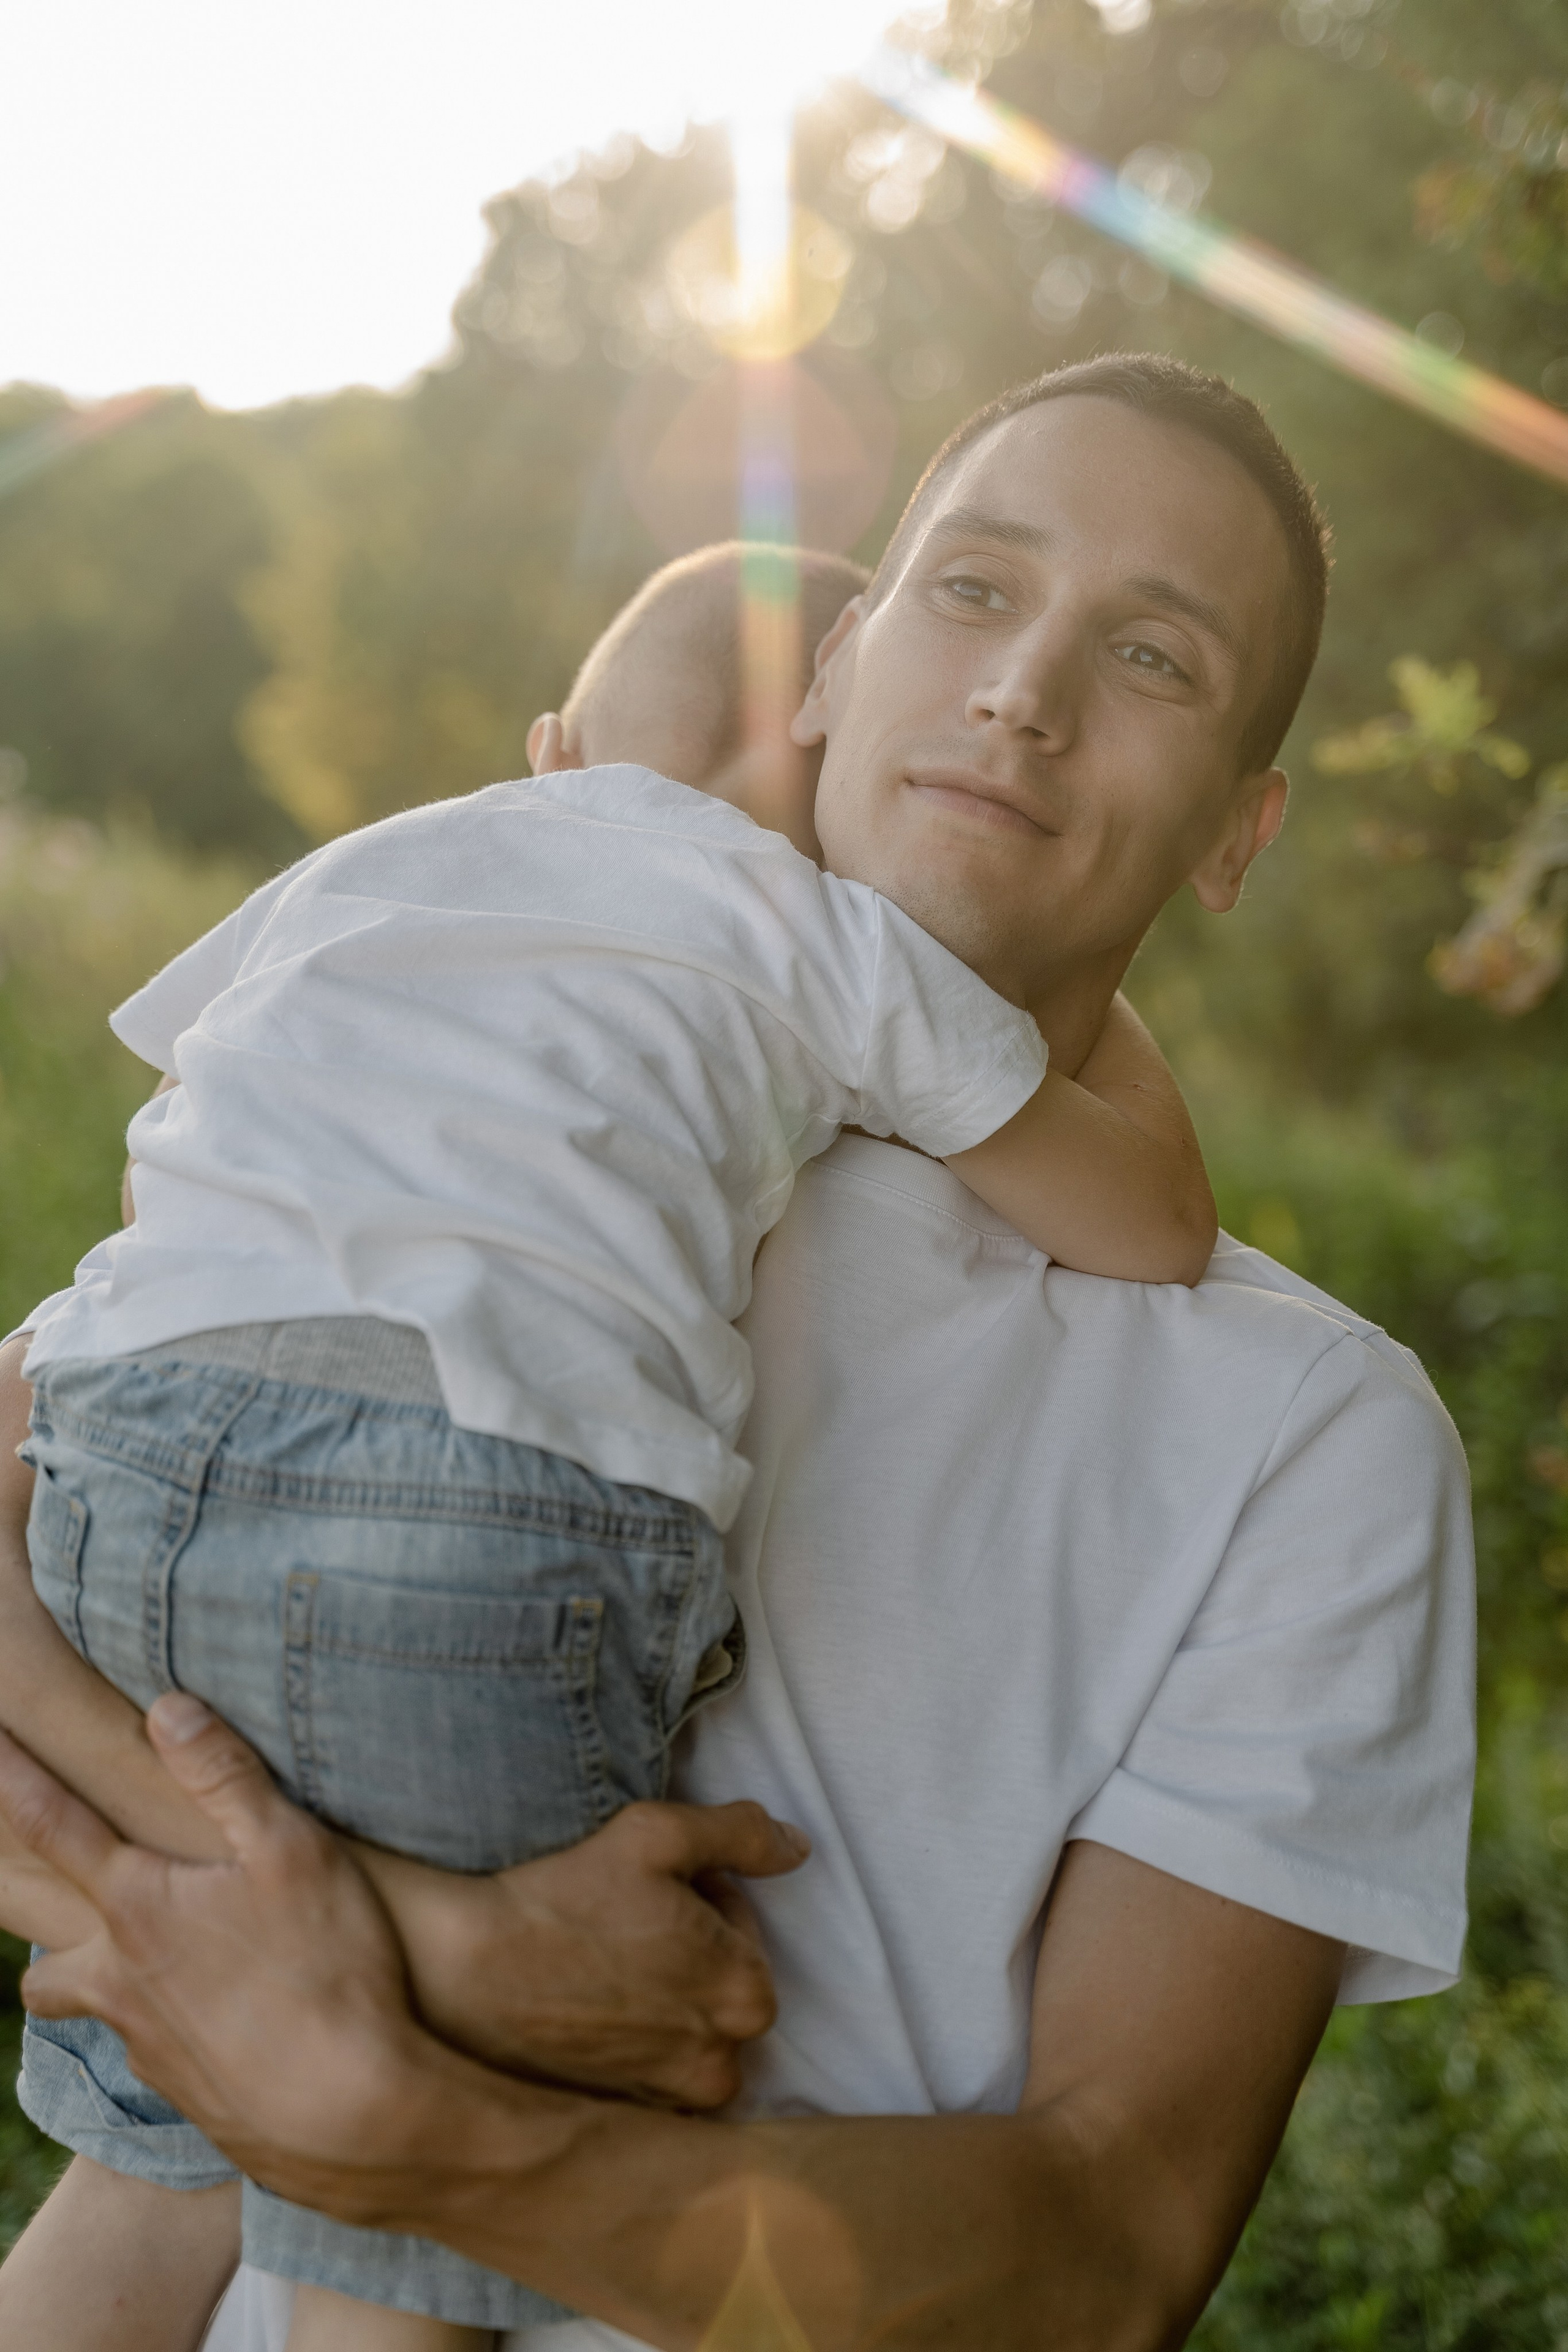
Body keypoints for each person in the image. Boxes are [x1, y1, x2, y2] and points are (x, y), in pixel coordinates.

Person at [0, 356, 1475, 2352]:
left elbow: (1119, 2237)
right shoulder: (508, 1105)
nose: (1023, 690)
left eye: (1149, 654)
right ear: (833, 664)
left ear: (1238, 830)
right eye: (973, 590)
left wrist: (417, 2116)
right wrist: (445, 1950)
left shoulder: (1314, 1431)